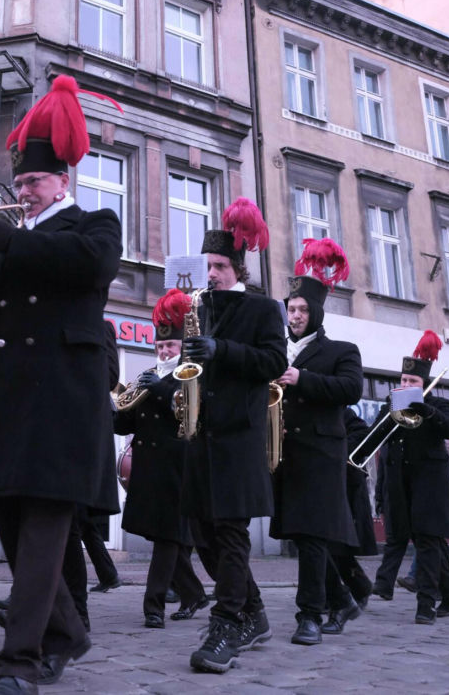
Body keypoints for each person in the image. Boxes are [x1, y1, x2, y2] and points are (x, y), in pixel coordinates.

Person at [0, 75, 122, 695]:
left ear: (62, 182)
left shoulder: (95, 223)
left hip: (60, 402)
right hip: (7, 398)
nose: (24, 192)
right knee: (16, 528)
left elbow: (88, 267)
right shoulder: (11, 237)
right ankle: (67, 632)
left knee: (46, 529)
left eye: (34, 183)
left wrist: (10, 238)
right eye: (19, 184)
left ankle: (17, 662)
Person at [180, 198, 287, 674]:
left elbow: (274, 363)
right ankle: (255, 613)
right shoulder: (200, 307)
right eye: (207, 265)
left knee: (230, 531)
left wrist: (221, 348)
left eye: (220, 265)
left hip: (238, 436)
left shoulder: (263, 309)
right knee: (203, 531)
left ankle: (227, 622)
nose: (212, 273)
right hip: (201, 434)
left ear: (238, 267)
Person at [270, 239, 363, 645]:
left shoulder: (342, 350)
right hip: (284, 454)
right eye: (291, 309)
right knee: (300, 536)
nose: (296, 316)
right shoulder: (276, 351)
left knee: (310, 534)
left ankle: (310, 614)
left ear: (317, 313)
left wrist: (302, 379)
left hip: (322, 454)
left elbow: (351, 389)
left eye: (303, 310)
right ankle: (340, 599)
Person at [114, 289, 208, 629]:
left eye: (169, 346)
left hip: (176, 467)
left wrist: (157, 388)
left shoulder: (190, 374)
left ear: (181, 346)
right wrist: (113, 406)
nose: (163, 351)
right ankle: (194, 592)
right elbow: (125, 423)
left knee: (168, 538)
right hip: (149, 468)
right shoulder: (149, 376)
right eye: (159, 346)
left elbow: (188, 412)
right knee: (162, 537)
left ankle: (153, 606)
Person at [375, 330, 449, 625]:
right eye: (403, 381)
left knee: (427, 540)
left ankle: (425, 603)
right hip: (400, 483)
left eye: (412, 382)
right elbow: (374, 437)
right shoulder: (392, 403)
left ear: (424, 384)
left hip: (430, 484)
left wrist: (425, 410)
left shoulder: (440, 405)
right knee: (412, 539)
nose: (406, 385)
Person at [328, 408, 377, 611]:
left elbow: (363, 434)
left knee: (336, 544)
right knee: (327, 543)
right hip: (323, 480)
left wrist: (336, 448)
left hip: (345, 484)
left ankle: (358, 587)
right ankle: (352, 588)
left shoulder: (342, 412)